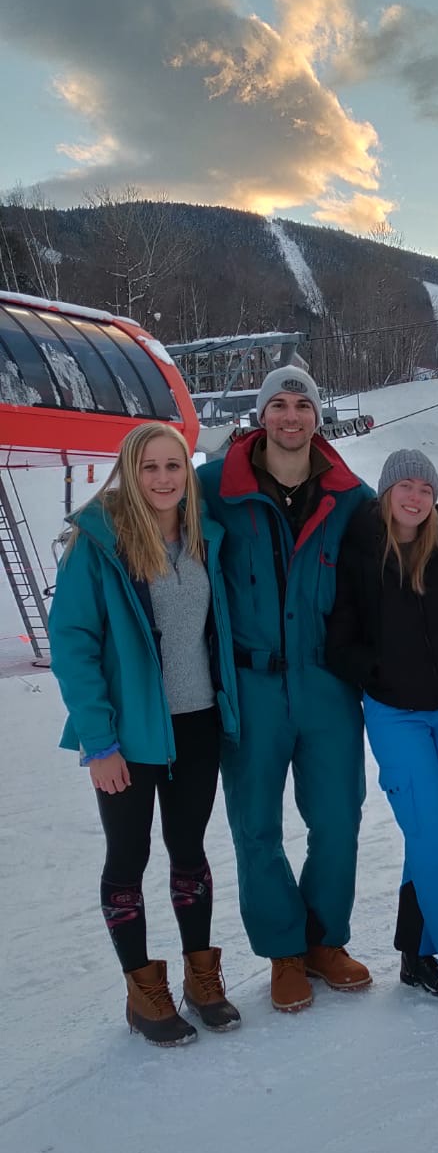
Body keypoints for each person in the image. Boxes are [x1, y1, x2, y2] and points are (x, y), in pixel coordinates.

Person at [49, 422, 241, 1046]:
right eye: (149, 467)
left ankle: (201, 978)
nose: (163, 478)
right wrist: (98, 744)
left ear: (188, 473)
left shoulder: (204, 535)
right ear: (130, 473)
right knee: (128, 857)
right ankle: (142, 990)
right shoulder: (99, 544)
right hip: (128, 734)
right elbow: (73, 646)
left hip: (198, 723)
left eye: (173, 466)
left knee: (189, 850)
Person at [198, 365, 373, 1014]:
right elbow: (150, 517)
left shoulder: (351, 495)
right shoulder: (215, 486)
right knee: (256, 825)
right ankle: (283, 950)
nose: (291, 415)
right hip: (252, 684)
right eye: (279, 403)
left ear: (316, 416)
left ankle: (325, 939)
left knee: (338, 818)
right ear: (262, 414)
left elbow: (403, 550)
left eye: (302, 404)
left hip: (326, 683)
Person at [326, 449, 438, 1025]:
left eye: (426, 488)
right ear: (386, 492)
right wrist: (377, 672)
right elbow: (339, 638)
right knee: (435, 835)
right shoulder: (360, 550)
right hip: (396, 714)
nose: (416, 497)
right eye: (406, 486)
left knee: (433, 834)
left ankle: (415, 954)